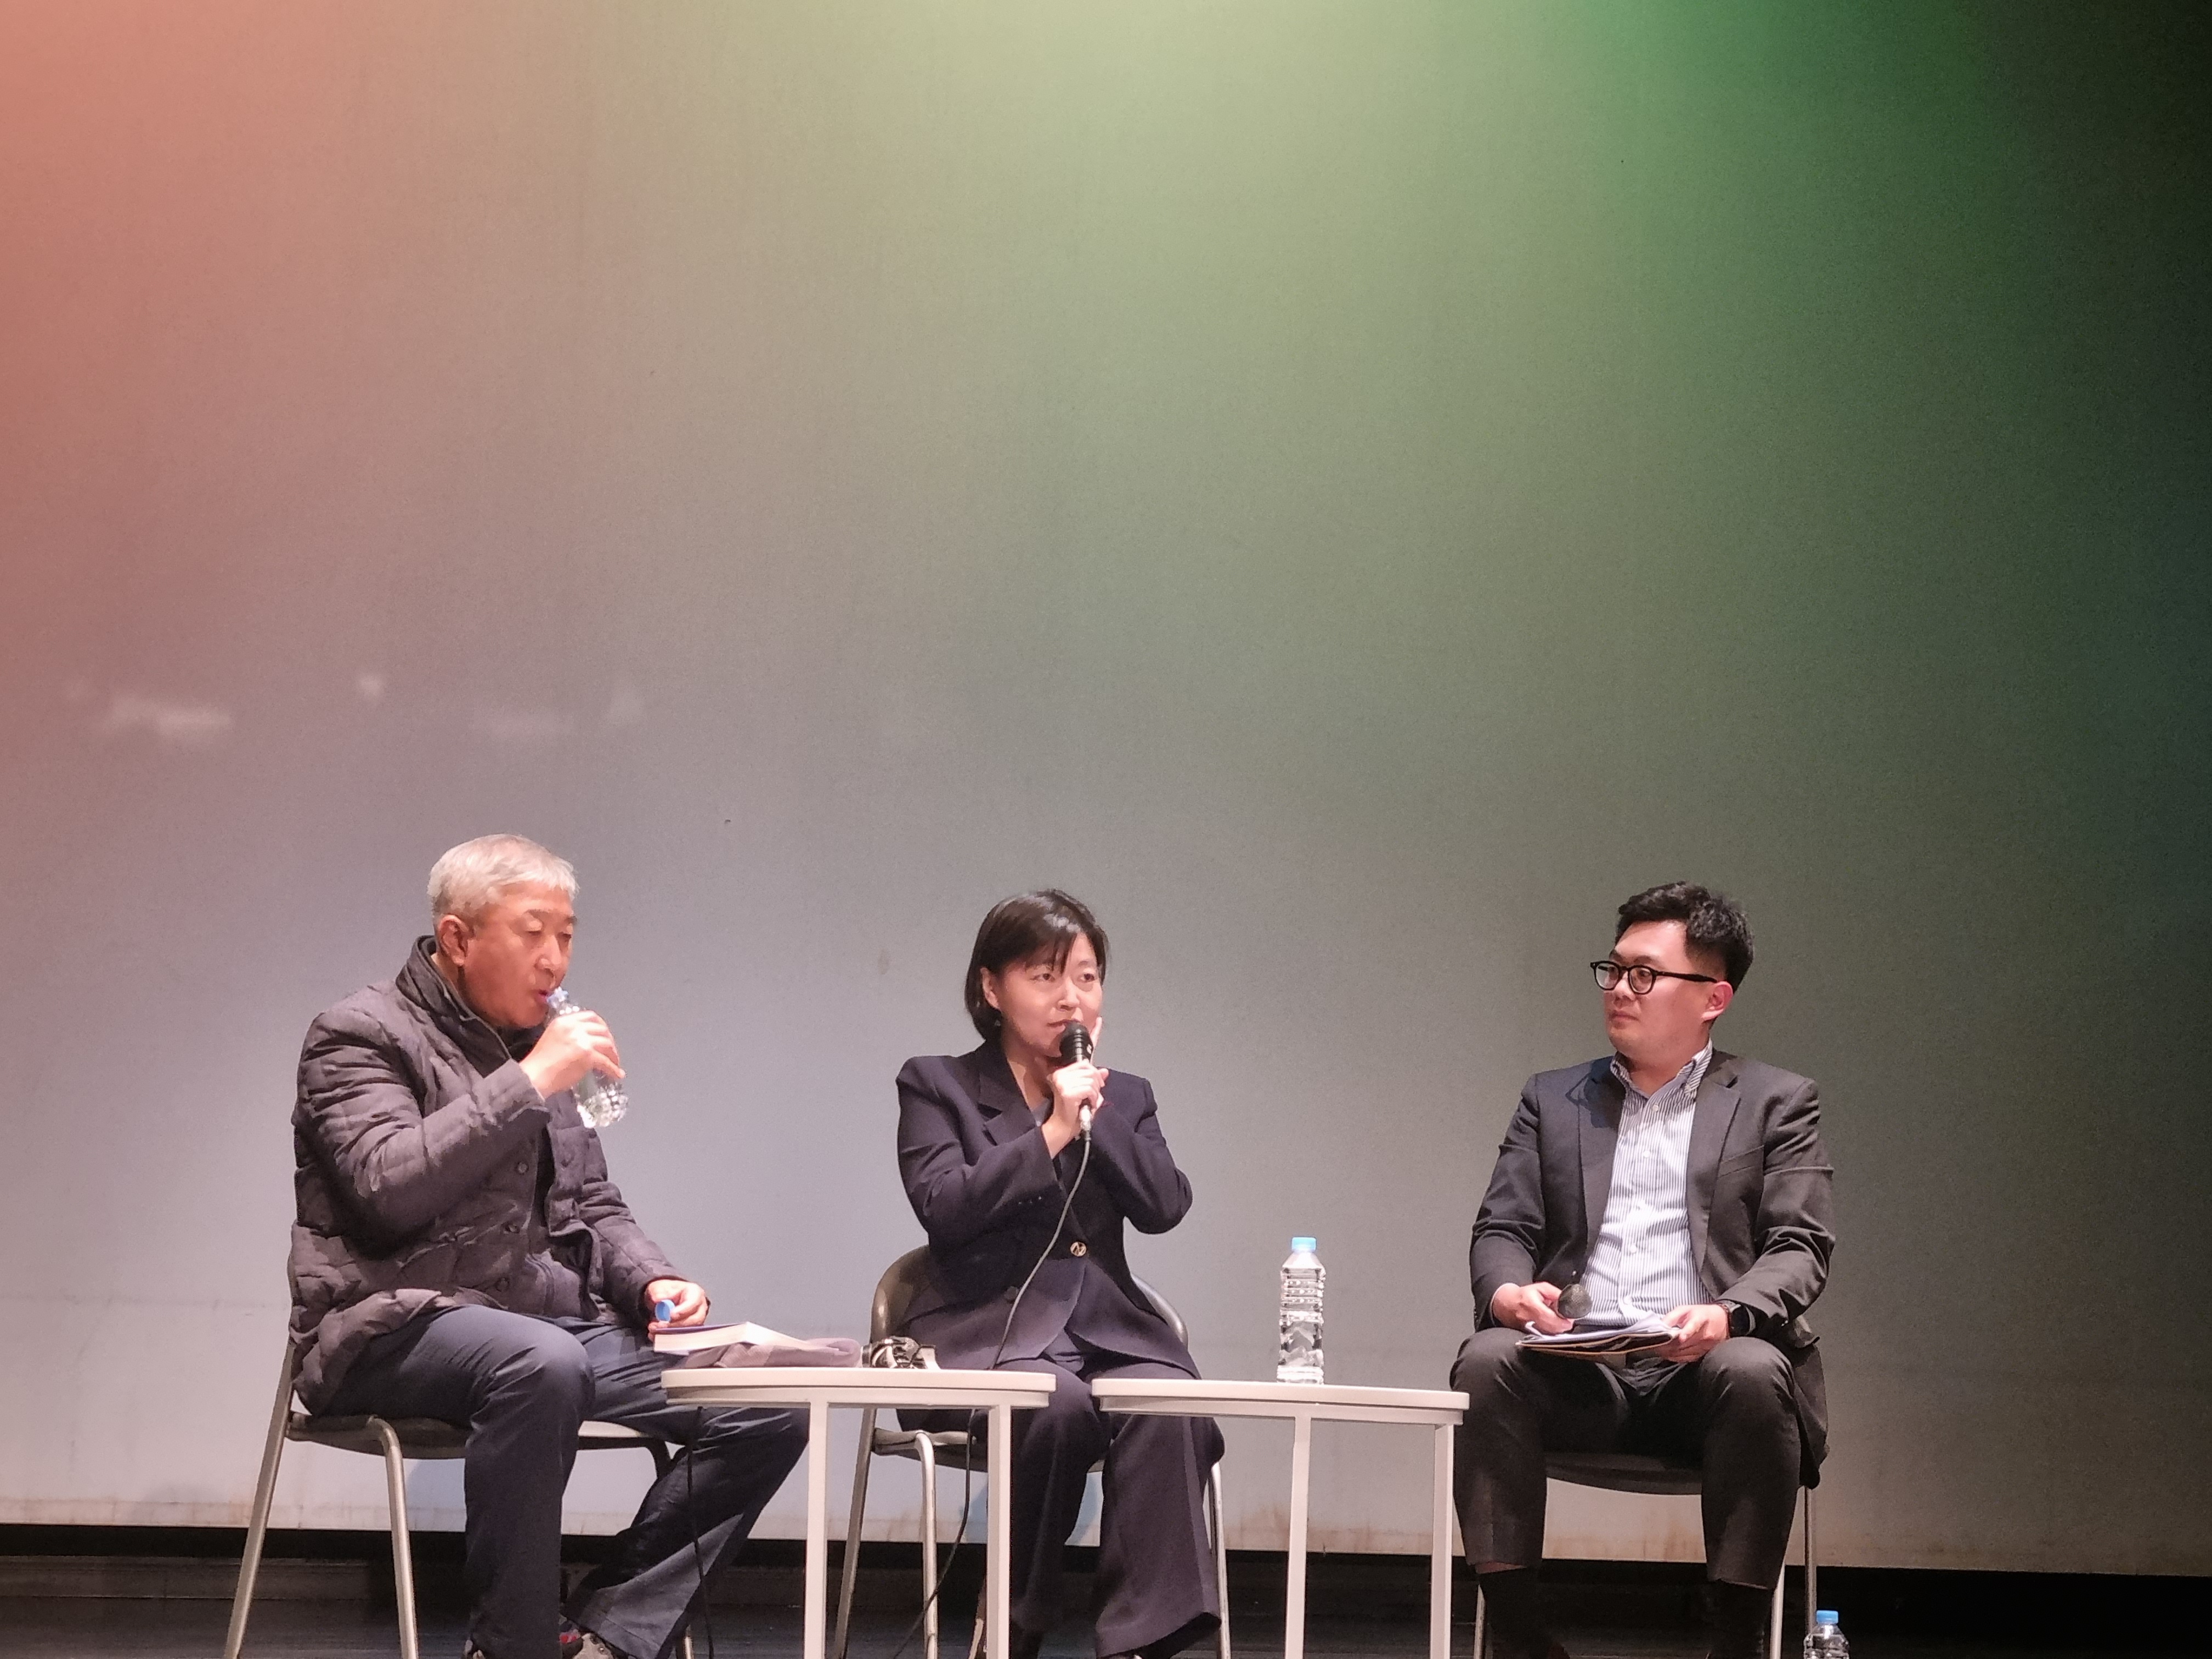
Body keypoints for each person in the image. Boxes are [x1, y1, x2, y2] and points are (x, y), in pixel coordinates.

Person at [288, 835, 806, 1659]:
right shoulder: (358, 1034)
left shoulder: (540, 1048)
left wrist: (654, 1281)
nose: (555, 959)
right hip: (386, 1325)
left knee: (768, 1399)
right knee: (540, 1363)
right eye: (533, 933)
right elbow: (387, 1188)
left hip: (541, 1325)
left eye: (566, 936)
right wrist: (529, 1083)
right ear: (458, 939)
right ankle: (513, 1645)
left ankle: (610, 1631)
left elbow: (592, 1204)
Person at [1450, 883, 1834, 1659]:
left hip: (1706, 1380)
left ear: (1713, 997)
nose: (1620, 989)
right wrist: (1511, 1293)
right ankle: (1521, 1640)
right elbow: (1503, 1228)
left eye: (1645, 974)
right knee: (1488, 1358)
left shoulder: (1777, 1102)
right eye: (1615, 970)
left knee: (1754, 1369)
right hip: (1583, 1375)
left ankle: (1734, 1643)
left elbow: (1800, 1245)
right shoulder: (1553, 1099)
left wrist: (1726, 1315)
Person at [893, 891, 1223, 1659]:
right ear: (991, 988)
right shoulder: (937, 1084)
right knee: (1057, 1407)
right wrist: (1050, 1131)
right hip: (986, 1331)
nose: (1070, 997)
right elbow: (943, 1206)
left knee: (1171, 1405)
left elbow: (1165, 1206)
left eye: (1086, 977)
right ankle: (1013, 1626)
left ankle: (1145, 1641)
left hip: (1111, 1333)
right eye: (1044, 976)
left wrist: (1095, 1112)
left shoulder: (1126, 1095)